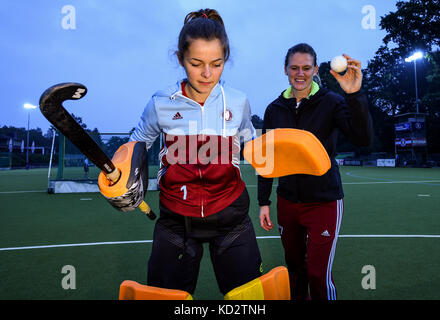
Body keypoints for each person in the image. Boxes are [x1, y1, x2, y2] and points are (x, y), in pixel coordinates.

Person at [129, 9, 262, 296]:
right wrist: (125, 176)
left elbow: (253, 146)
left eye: (216, 64)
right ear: (180, 59)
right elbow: (137, 144)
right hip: (176, 219)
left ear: (225, 59)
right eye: (196, 63)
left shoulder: (238, 101)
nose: (206, 74)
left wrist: (276, 154)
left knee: (249, 300)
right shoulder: (160, 103)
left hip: (231, 216)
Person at [258, 43, 372, 300]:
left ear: (315, 69)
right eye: (294, 68)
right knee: (296, 272)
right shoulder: (274, 109)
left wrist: (354, 95)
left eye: (306, 68)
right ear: (285, 69)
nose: (300, 73)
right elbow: (267, 159)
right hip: (287, 201)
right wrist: (263, 201)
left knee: (318, 275)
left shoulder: (331, 103)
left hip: (324, 201)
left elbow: (362, 139)